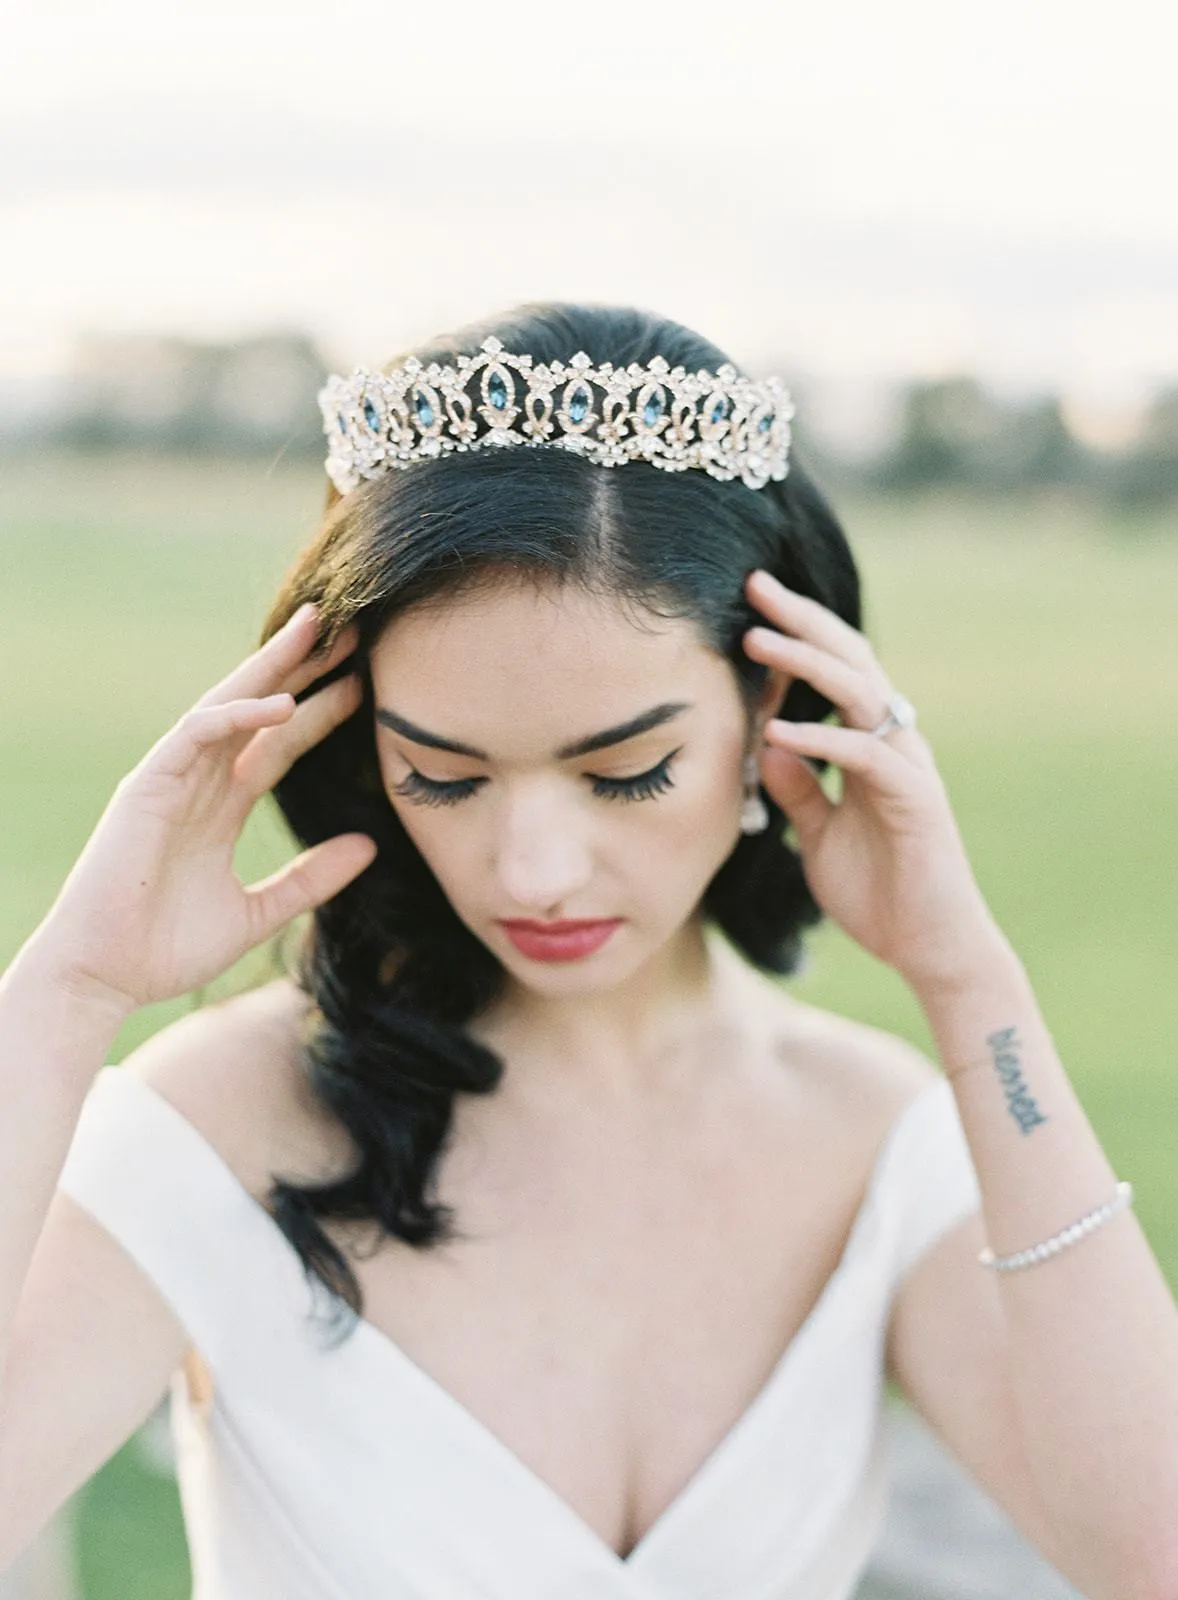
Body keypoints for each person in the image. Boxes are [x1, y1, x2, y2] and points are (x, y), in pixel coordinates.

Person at [1, 302, 1176, 1600]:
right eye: (443, 777)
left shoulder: (871, 1137)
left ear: (774, 707)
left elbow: (1148, 1555)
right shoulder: (220, 1124)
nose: (532, 871)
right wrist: (66, 992)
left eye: (625, 772)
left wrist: (970, 985)